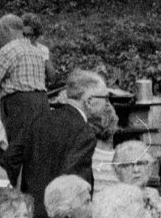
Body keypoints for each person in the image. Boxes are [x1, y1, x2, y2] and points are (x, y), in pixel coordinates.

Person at [9, 68, 106, 208]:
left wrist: (24, 192)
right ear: (89, 101)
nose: (107, 103)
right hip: (60, 217)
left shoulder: (38, 119)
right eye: (105, 98)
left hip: (30, 211)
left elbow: (11, 157)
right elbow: (75, 183)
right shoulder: (83, 132)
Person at [0, 14, 52, 155]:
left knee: (17, 149)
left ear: (6, 29)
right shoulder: (36, 50)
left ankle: (16, 177)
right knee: (37, 148)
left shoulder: (8, 50)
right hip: (41, 104)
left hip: (20, 107)